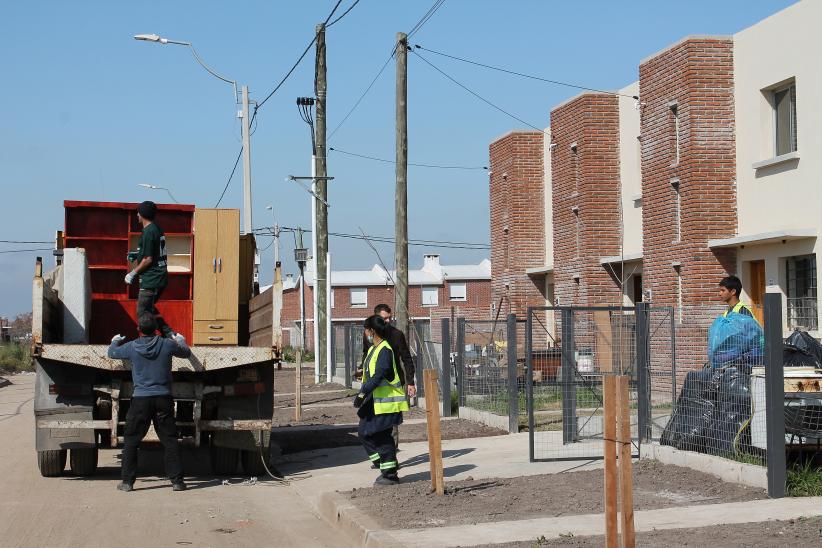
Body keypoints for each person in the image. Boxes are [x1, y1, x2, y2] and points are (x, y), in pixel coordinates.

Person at [108, 313, 191, 492]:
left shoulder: (131, 347)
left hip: (140, 400)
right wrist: (181, 340)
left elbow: (112, 353)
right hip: (163, 399)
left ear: (138, 330)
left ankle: (127, 482)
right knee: (169, 440)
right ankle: (177, 482)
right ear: (156, 329)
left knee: (131, 441)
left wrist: (115, 341)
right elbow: (186, 353)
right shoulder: (168, 345)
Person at [354, 315, 409, 485]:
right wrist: (362, 376)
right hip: (374, 400)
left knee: (382, 437)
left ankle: (390, 474)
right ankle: (385, 465)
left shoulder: (385, 349)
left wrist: (363, 393)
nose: (365, 333)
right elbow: (372, 372)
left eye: (366, 330)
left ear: (372, 331)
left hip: (386, 402)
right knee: (364, 433)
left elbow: (381, 373)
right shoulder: (373, 349)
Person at [360, 304, 416, 451]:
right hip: (373, 386)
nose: (388, 321)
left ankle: (391, 455)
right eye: (385, 318)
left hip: (391, 385)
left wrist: (410, 382)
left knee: (391, 425)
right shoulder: (369, 335)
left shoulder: (396, 335)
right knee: (372, 423)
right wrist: (362, 370)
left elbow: (407, 358)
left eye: (389, 318)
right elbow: (366, 355)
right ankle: (383, 455)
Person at [126, 201, 175, 338]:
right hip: (159, 278)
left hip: (151, 279)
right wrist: (138, 254)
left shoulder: (148, 232)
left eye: (138, 212)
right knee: (149, 308)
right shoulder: (156, 229)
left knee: (142, 311)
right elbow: (152, 253)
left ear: (142, 214)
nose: (137, 215)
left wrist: (133, 273)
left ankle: (149, 340)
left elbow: (148, 259)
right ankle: (168, 333)